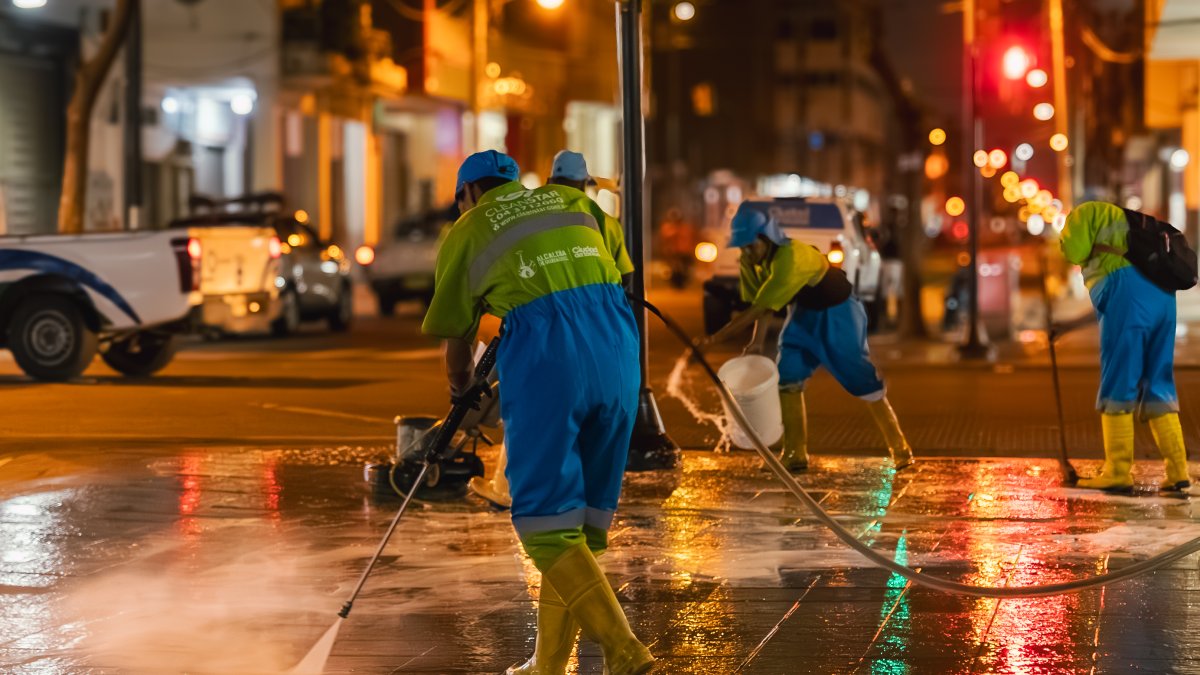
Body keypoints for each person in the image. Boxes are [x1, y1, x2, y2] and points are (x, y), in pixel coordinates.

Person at [422, 150, 654, 675]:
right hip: (619, 356)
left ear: (469, 193)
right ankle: (547, 665)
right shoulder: (570, 204)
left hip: (553, 365)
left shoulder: (469, 229)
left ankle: (624, 651)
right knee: (579, 527)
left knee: (546, 527)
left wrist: (460, 386)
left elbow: (458, 333)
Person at [702, 202, 914, 472]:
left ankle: (900, 447)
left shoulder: (791, 256)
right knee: (788, 374)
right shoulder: (749, 261)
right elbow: (763, 302)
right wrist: (756, 343)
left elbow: (761, 307)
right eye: (741, 246)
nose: (746, 252)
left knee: (859, 377)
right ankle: (795, 453)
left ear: (766, 238)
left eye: (750, 245)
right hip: (803, 315)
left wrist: (714, 339)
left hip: (839, 314)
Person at [467, 150, 610, 510]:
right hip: (604, 337)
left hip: (541, 338)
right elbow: (620, 274)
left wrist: (462, 384)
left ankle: (515, 490)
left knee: (531, 411)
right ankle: (540, 493)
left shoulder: (496, 221)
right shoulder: (593, 215)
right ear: (584, 183)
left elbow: (463, 319)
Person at [1059, 201, 1191, 492]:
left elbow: (1075, 249)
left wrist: (1064, 241)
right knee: (1159, 383)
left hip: (1126, 294)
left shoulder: (1087, 212)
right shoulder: (1135, 224)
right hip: (1163, 300)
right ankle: (1178, 470)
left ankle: (1118, 471)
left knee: (1119, 379)